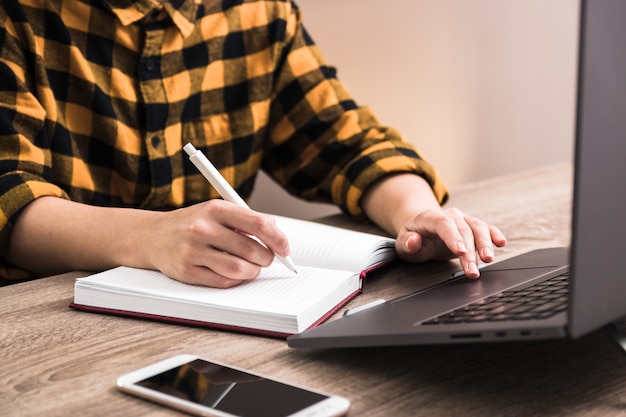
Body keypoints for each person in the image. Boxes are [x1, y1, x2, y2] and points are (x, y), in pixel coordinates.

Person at [0, 0, 506, 288]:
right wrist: (150, 237)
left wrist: (415, 215)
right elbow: (7, 193)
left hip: (216, 318)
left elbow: (345, 141)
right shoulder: (18, 17)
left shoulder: (258, 12)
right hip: (41, 318)